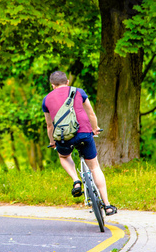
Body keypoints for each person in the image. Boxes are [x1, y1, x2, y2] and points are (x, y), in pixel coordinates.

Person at [42, 71, 117, 216]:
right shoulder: (79, 92)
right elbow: (91, 114)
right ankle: (107, 206)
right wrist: (95, 129)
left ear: (52, 85)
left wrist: (52, 142)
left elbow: (49, 126)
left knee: (64, 156)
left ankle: (76, 180)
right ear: (68, 82)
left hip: (63, 137)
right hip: (84, 132)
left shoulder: (46, 100)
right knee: (95, 167)